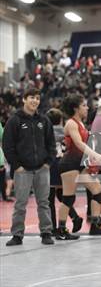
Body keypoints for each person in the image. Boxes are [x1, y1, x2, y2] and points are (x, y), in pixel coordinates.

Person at [2, 87, 55, 246]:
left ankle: (46, 232)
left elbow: (51, 144)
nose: (35, 101)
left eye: (37, 98)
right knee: (20, 204)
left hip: (42, 169)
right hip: (22, 170)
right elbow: (7, 145)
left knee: (44, 202)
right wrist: (16, 165)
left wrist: (48, 163)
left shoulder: (44, 120)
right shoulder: (14, 120)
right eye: (31, 97)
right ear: (24, 99)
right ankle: (17, 235)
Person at [56, 93, 101, 239]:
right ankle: (61, 230)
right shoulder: (71, 123)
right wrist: (95, 155)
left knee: (99, 192)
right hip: (69, 164)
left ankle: (95, 226)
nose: (87, 108)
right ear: (76, 108)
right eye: (84, 105)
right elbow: (79, 143)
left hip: (80, 164)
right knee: (68, 198)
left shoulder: (80, 123)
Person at [46, 108, 83, 234]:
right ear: (61, 119)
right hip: (64, 165)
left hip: (52, 165)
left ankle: (53, 227)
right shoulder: (66, 131)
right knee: (63, 195)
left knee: (49, 199)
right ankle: (75, 217)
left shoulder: (47, 132)